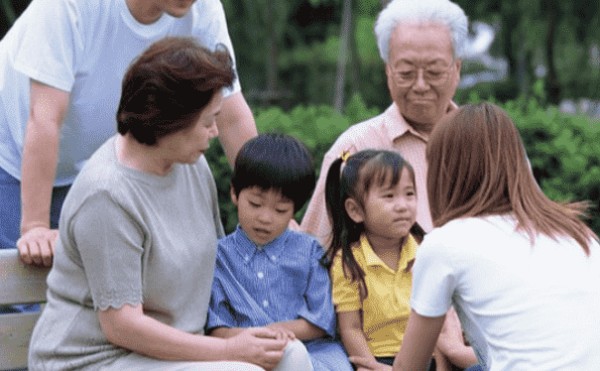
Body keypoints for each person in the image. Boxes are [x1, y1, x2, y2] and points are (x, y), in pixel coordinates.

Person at [28, 37, 286, 370]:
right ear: (170, 121)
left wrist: (240, 335)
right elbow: (123, 326)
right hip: (95, 358)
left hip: (172, 349)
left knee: (288, 356)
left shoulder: (191, 165)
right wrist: (227, 351)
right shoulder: (107, 195)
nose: (213, 133)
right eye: (207, 122)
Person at [0, 0, 257, 267]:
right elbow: (44, 119)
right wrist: (35, 226)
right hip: (9, 154)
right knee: (16, 292)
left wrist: (268, 201)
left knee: (110, 287)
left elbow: (231, 116)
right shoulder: (68, 5)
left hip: (92, 169)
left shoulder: (203, 8)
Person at [392, 103, 600, 370]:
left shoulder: (447, 243)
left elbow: (409, 367)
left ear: (444, 172)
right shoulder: (576, 231)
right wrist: (456, 350)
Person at [301, 0, 467, 242]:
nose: (420, 85)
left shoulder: (492, 145)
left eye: (434, 71)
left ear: (457, 69)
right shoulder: (354, 149)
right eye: (406, 73)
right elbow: (314, 254)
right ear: (388, 71)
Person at [206, 133, 353, 371]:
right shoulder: (219, 257)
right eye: (255, 204)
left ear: (295, 209)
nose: (265, 218)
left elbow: (319, 321)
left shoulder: (309, 252)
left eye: (281, 209)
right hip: (243, 352)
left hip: (313, 351)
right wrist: (255, 341)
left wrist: (274, 335)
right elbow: (217, 328)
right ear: (234, 193)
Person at [324, 149, 423, 370]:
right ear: (355, 210)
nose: (402, 205)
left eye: (409, 194)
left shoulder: (425, 252)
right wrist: (369, 364)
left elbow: (443, 320)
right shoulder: (349, 262)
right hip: (379, 359)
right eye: (389, 196)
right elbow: (350, 328)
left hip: (427, 354)